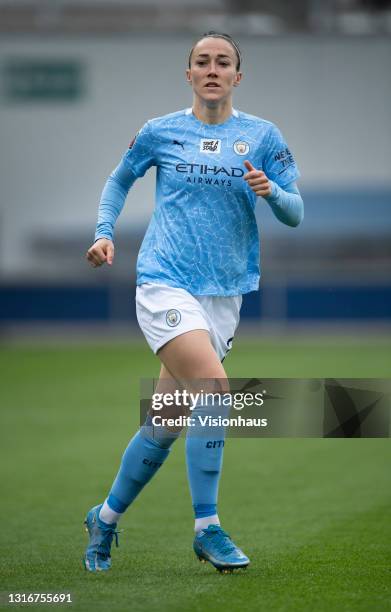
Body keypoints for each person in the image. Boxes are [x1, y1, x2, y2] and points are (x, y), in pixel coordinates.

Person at [84, 31, 303, 574]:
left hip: (223, 293)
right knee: (214, 390)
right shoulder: (161, 131)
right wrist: (104, 231)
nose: (212, 69)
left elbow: (296, 211)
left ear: (236, 76)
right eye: (201, 61)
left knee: (164, 420)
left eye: (222, 62)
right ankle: (208, 528)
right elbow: (119, 179)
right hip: (164, 281)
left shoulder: (262, 136)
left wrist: (271, 191)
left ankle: (104, 520)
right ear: (188, 75)